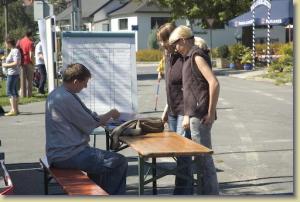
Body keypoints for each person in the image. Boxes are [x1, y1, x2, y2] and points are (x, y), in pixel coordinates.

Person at [45, 63, 128, 195]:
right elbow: (90, 123)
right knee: (119, 162)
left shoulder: (58, 93)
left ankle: (99, 193)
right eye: (85, 83)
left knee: (100, 165)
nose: (86, 86)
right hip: (69, 154)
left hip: (59, 152)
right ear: (76, 81)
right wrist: (111, 114)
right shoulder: (66, 98)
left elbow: (88, 117)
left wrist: (103, 118)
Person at [169, 25, 220, 195]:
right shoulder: (188, 57)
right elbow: (190, 90)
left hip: (201, 117)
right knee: (199, 163)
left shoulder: (196, 56)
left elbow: (214, 83)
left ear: (183, 40)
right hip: (194, 116)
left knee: (204, 162)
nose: (175, 48)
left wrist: (211, 113)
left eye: (175, 43)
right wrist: (187, 115)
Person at [157, 23, 193, 195]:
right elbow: (171, 87)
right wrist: (165, 110)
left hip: (183, 112)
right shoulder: (169, 56)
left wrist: (187, 114)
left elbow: (190, 88)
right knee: (178, 156)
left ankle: (183, 193)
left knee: (183, 155)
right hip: (172, 111)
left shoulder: (185, 57)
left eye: (163, 40)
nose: (161, 44)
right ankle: (182, 191)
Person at [2, 37, 21, 116]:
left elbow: (16, 63)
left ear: (9, 43)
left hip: (13, 74)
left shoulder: (15, 51)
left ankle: (13, 110)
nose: (5, 45)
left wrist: (5, 65)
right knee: (14, 91)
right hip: (13, 73)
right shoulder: (12, 51)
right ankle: (16, 109)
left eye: (6, 43)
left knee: (9, 91)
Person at [18, 29, 34, 97]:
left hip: (22, 61)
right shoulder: (30, 43)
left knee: (22, 79)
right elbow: (31, 55)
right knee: (30, 79)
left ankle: (23, 94)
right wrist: (33, 62)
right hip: (28, 62)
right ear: (30, 35)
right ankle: (29, 94)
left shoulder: (20, 41)